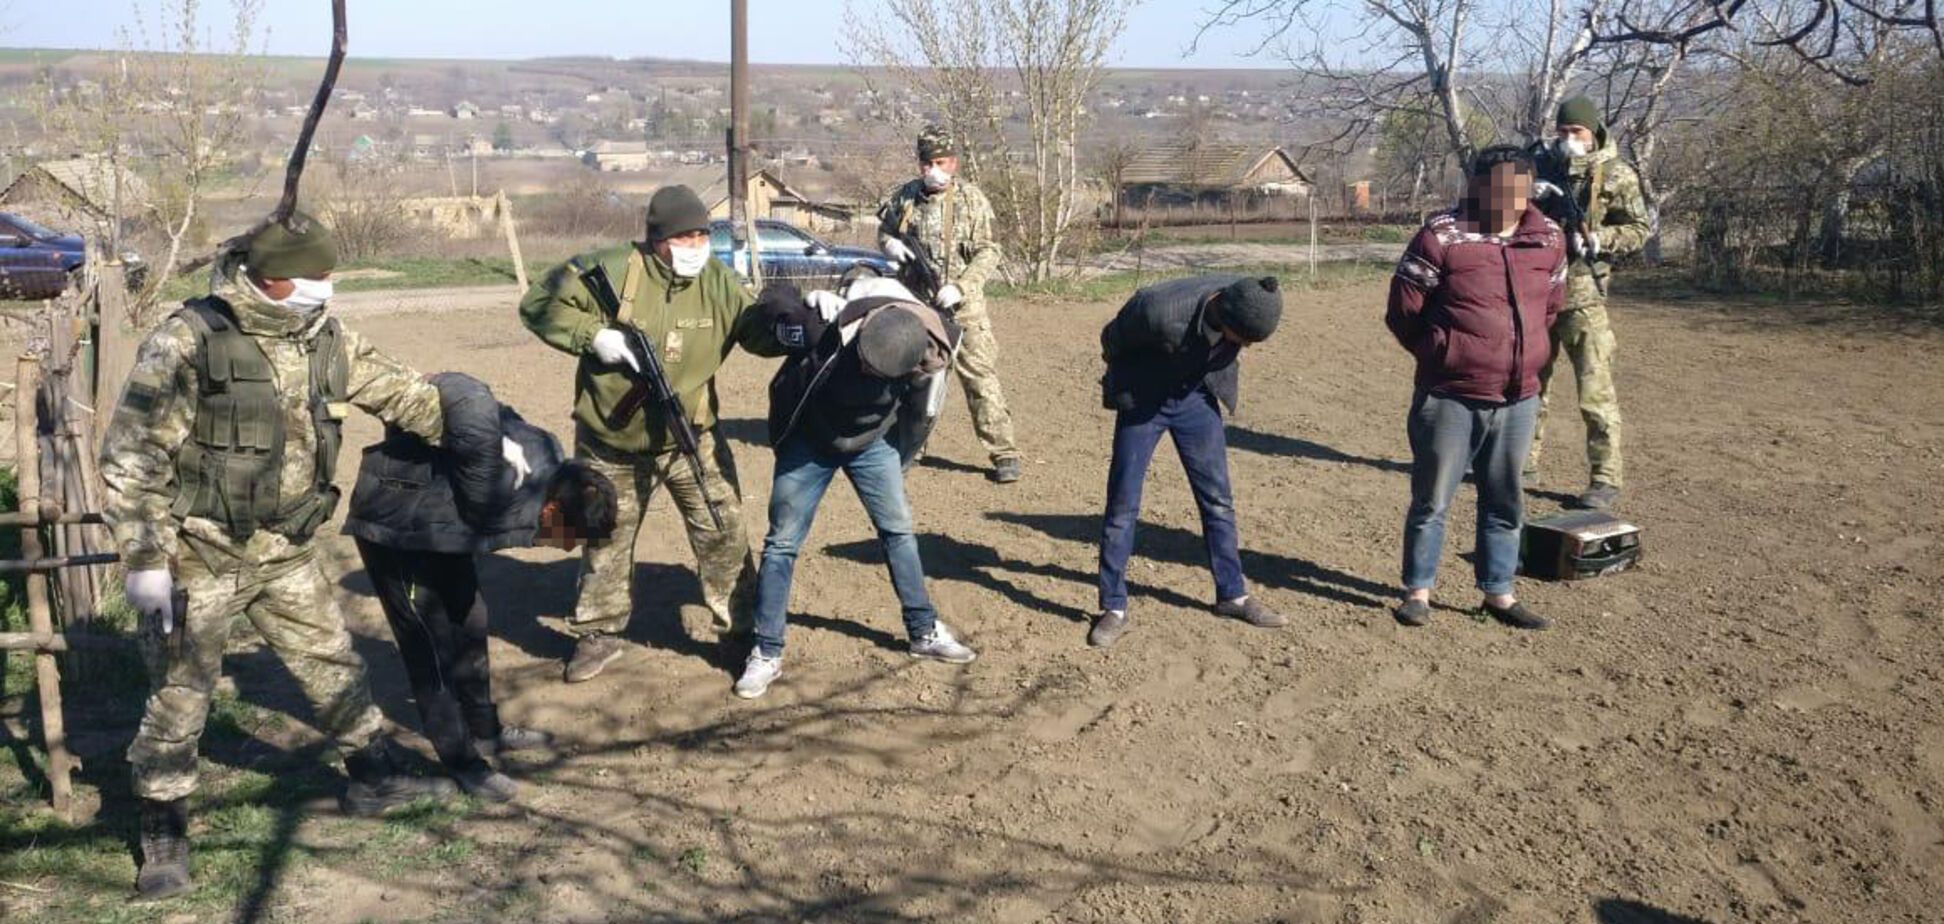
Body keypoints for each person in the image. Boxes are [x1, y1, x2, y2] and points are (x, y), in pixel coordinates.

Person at [100, 213, 501, 900]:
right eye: (317, 276)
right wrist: (144, 559)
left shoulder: (325, 337)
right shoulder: (187, 341)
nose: (328, 287)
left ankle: (373, 775)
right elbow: (132, 454)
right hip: (200, 553)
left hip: (287, 547)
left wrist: (492, 433)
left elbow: (405, 395)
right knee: (179, 697)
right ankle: (164, 829)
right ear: (272, 277)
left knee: (332, 664)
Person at [519, 184, 785, 684]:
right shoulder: (614, 269)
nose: (695, 246)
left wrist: (788, 325)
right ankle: (598, 632)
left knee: (722, 531)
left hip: (691, 436)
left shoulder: (716, 280)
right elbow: (538, 302)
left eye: (703, 235)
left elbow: (754, 332)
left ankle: (740, 632)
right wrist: (593, 337)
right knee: (604, 537)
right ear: (656, 238)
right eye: (683, 236)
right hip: (611, 439)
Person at [342, 372, 621, 801]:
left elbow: (502, 419)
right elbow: (466, 395)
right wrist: (424, 399)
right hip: (395, 529)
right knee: (430, 649)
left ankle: (484, 729)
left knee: (471, 620)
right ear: (551, 509)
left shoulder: (548, 458)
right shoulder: (493, 485)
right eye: (573, 536)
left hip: (443, 536)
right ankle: (464, 765)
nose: (569, 547)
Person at [731, 278, 976, 699]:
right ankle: (767, 651)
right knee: (782, 544)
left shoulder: (930, 345)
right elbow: (771, 301)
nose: (866, 373)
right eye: (863, 362)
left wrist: (902, 456)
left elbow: (923, 413)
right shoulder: (822, 324)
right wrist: (801, 301)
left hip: (872, 443)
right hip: (810, 440)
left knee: (898, 532)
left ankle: (923, 630)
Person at [1386, 145, 1567, 631]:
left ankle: (1499, 592)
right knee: (1432, 498)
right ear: (1478, 185)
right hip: (1449, 395)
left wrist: (1527, 353)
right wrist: (1444, 353)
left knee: (1506, 498)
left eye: (1519, 187)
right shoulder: (1441, 235)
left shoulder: (1548, 237)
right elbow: (1404, 312)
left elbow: (1552, 305)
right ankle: (1418, 590)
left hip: (1519, 395)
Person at [1087, 274, 1289, 649]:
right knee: (1122, 505)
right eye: (1241, 337)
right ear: (1223, 314)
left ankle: (1232, 596)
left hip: (1196, 397)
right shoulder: (1158, 311)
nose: (1244, 345)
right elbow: (1111, 339)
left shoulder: (1244, 294)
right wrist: (1133, 381)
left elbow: (1235, 336)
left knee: (1218, 500)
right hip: (1145, 400)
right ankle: (1112, 606)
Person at [876, 124, 1023, 484]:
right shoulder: (905, 198)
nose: (932, 170)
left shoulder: (972, 200)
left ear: (953, 162)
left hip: (963, 309)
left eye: (939, 162)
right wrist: (890, 246)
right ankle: (908, 447)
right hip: (920, 308)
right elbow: (885, 231)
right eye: (926, 164)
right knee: (916, 378)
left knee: (980, 379)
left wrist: (962, 286)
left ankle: (1004, 453)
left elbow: (989, 250)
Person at [1525, 96, 1653, 510]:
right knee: (1528, 387)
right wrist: (1526, 195)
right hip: (1538, 293)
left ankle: (1604, 478)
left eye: (1576, 131)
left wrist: (1602, 241)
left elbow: (1639, 229)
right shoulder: (1539, 164)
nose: (1568, 140)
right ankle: (1520, 463)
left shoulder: (1616, 174)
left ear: (1592, 131)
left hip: (1585, 297)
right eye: (1562, 132)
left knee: (1595, 394)